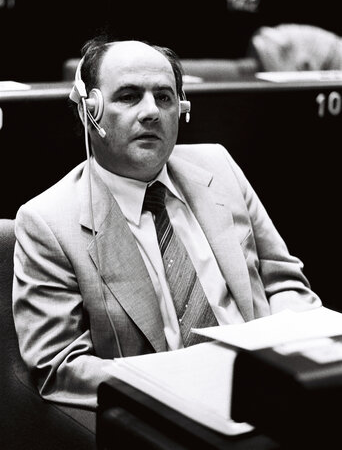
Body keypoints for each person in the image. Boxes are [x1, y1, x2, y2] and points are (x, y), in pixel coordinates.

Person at [13, 37, 321, 413]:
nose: (151, 112)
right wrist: (184, 380)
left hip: (269, 387)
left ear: (182, 109)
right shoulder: (47, 221)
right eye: (129, 96)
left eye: (164, 97)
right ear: (88, 110)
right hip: (170, 408)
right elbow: (59, 367)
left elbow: (284, 281)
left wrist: (296, 349)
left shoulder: (218, 167)